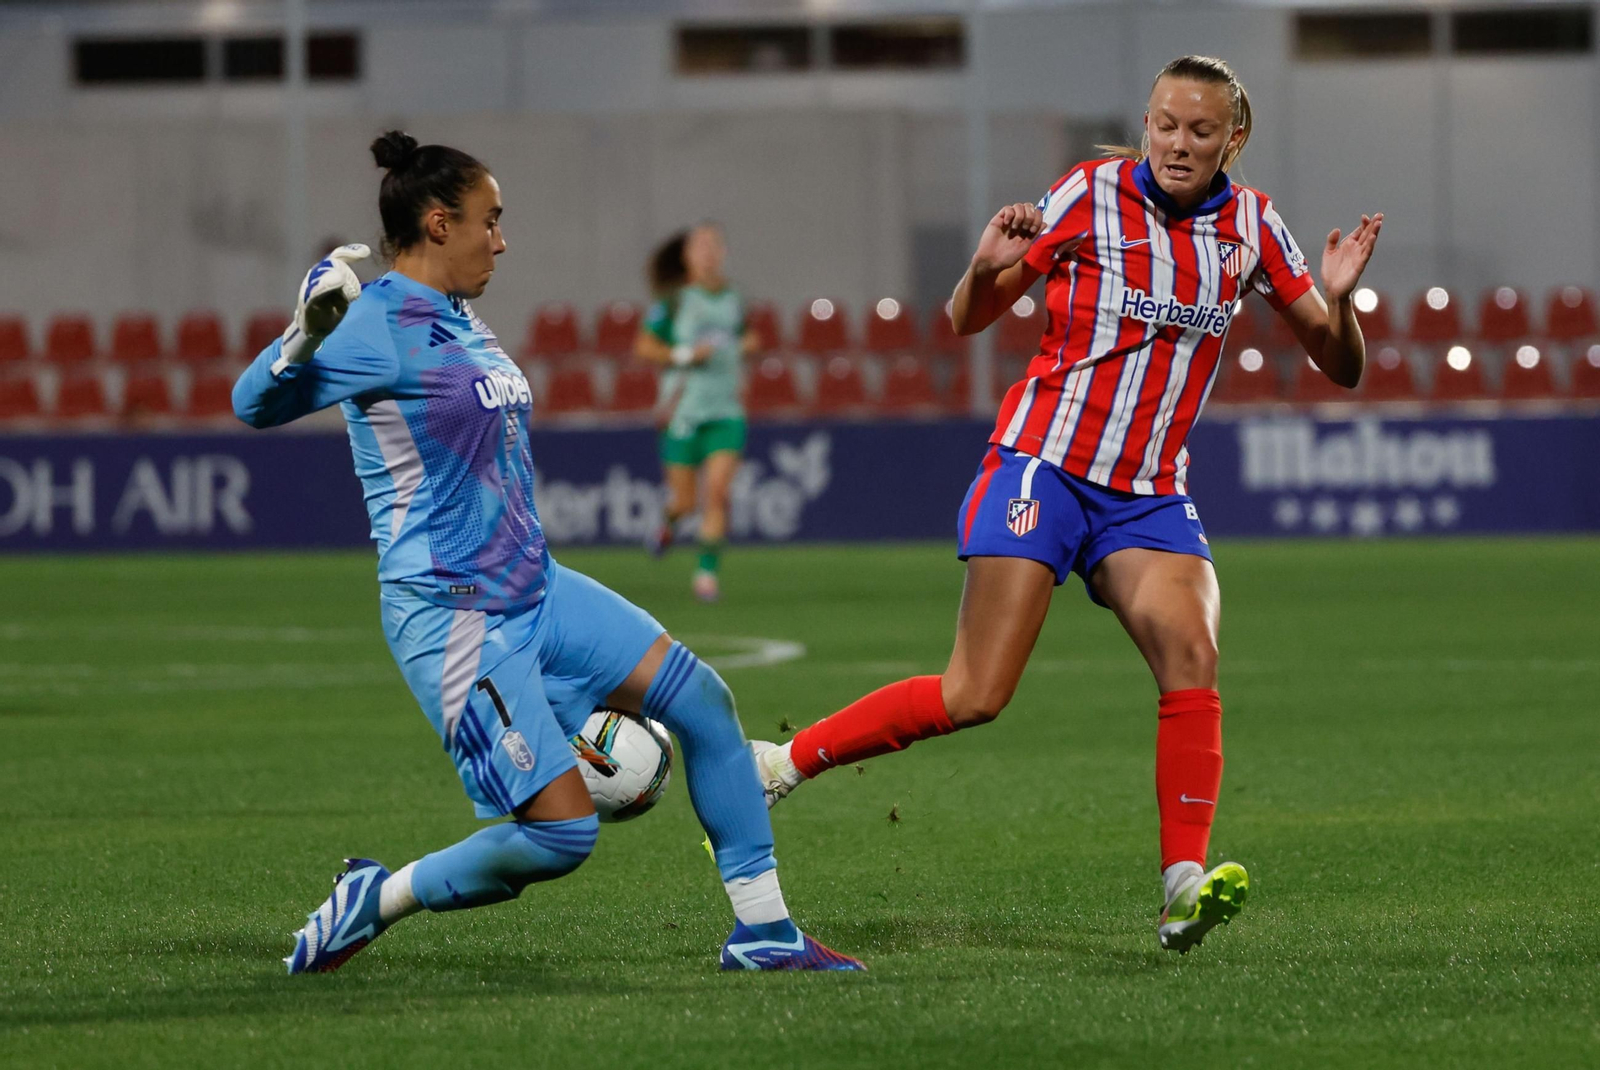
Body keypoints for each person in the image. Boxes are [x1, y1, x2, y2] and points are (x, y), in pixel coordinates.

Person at [754, 55, 1383, 954]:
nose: (1177, 142)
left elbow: (1340, 363)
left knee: (1192, 653)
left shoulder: (1252, 226)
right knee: (975, 694)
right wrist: (984, 266)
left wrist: (1343, 297)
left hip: (1150, 494)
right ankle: (780, 764)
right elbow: (969, 317)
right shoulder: (1087, 195)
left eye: (1200, 131)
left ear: (1232, 140)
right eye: (1165, 123)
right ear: (1148, 119)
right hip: (1041, 469)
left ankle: (1180, 887)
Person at [233, 130, 862, 974]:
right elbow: (252, 405)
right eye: (489, 221)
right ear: (437, 223)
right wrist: (302, 338)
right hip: (455, 617)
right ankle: (376, 898)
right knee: (562, 835)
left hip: (539, 591)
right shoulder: (373, 323)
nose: (502, 238)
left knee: (706, 704)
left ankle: (765, 933)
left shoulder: (459, 312)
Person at [633, 223, 760, 602]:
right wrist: (687, 355)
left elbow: (751, 336)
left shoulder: (735, 298)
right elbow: (644, 347)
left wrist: (744, 346)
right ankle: (667, 523)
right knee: (685, 502)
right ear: (687, 256)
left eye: (713, 245)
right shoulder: (674, 302)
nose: (708, 252)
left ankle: (706, 575)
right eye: (700, 246)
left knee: (717, 493)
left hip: (726, 410)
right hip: (683, 411)